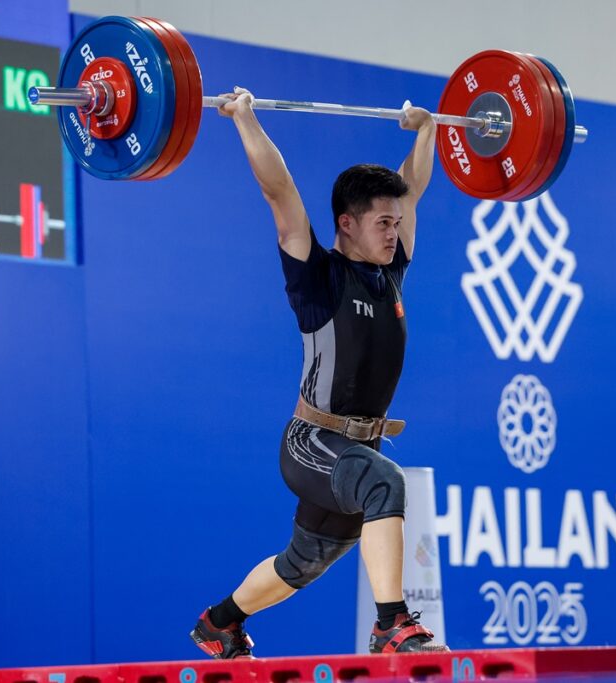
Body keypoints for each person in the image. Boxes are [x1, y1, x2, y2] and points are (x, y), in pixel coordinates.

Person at [190, 86, 448, 658]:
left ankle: (220, 624)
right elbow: (278, 191)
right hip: (313, 442)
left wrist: (428, 133)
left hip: (356, 450)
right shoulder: (317, 276)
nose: (393, 231)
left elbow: (415, 185)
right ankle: (392, 626)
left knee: (304, 561)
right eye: (383, 222)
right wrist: (245, 120)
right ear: (346, 224)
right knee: (387, 482)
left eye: (396, 221)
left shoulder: (390, 273)